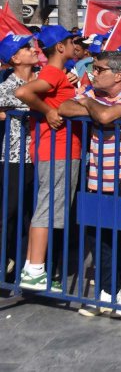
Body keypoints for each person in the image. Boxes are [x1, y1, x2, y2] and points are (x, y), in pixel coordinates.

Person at [59, 51, 121, 316]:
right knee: (99, 236)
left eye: (99, 69)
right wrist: (91, 103)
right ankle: (107, 290)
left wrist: (88, 103)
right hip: (96, 176)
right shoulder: (93, 92)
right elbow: (64, 108)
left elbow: (106, 117)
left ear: (118, 75)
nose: (93, 73)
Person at [16, 25, 82, 291]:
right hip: (58, 150)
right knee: (47, 209)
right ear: (60, 47)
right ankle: (34, 269)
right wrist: (49, 111)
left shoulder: (54, 72)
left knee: (44, 208)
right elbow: (22, 93)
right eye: (71, 42)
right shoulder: (53, 72)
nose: (75, 47)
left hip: (54, 150)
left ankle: (32, 268)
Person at [0, 35, 36, 283]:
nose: (32, 49)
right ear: (15, 58)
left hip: (42, 157)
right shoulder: (5, 86)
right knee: (9, 215)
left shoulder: (46, 79)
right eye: (25, 48)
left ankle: (26, 268)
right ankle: (5, 267)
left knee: (32, 217)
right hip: (13, 160)